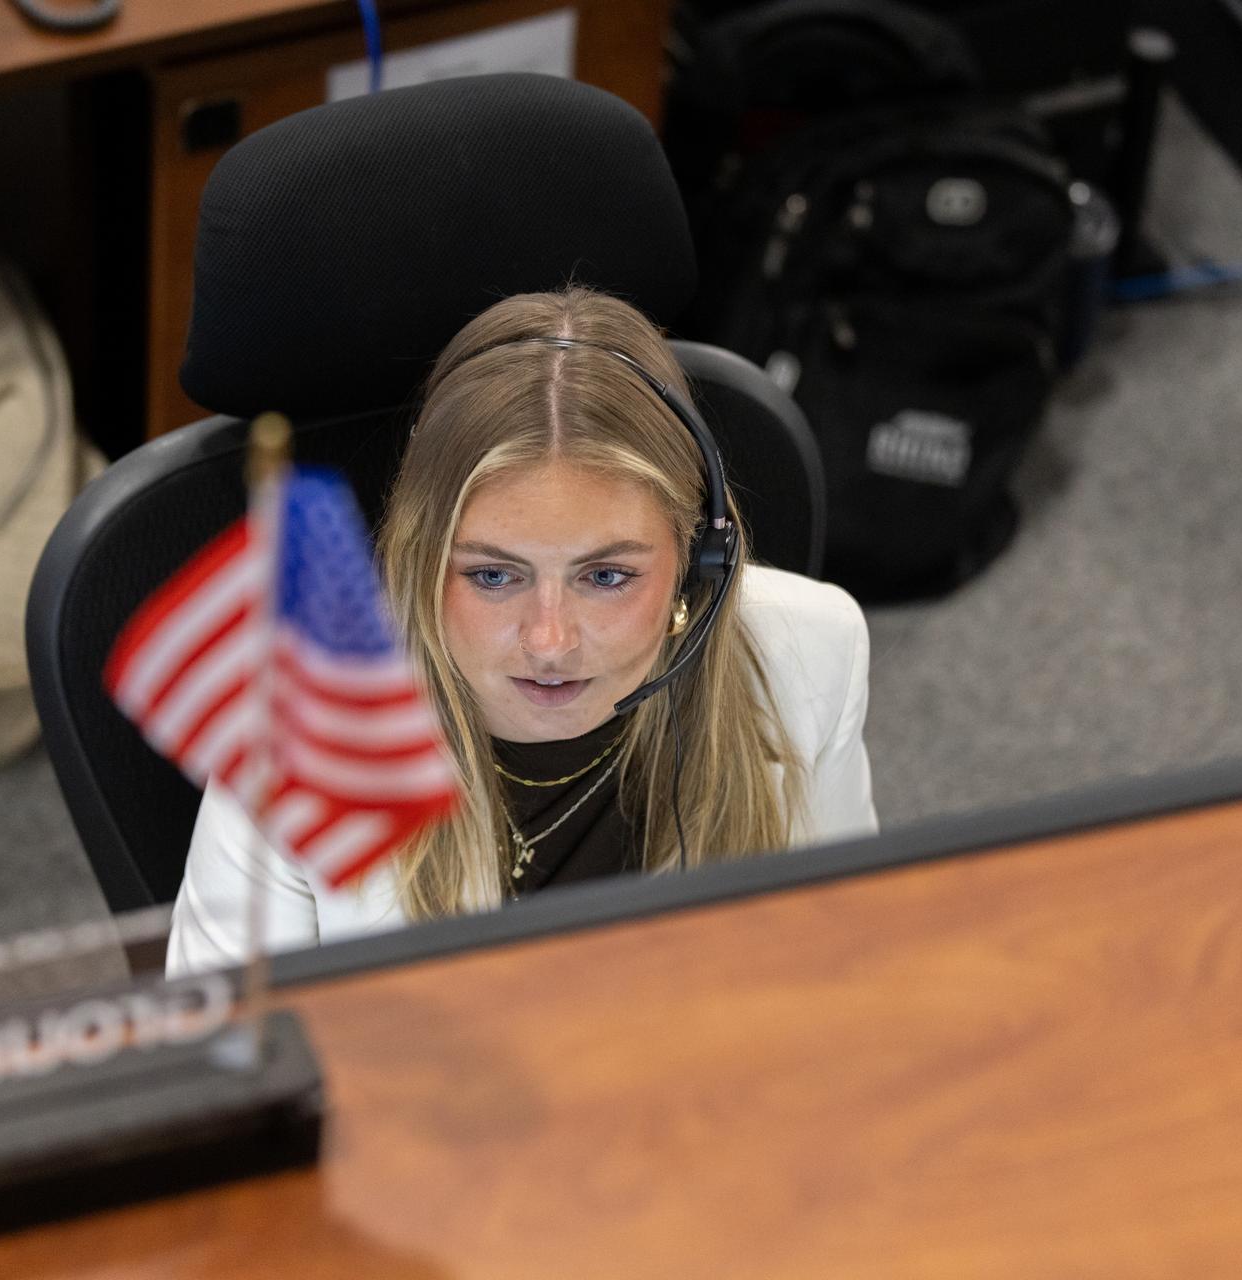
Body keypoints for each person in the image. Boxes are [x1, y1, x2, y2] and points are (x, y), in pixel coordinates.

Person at [166, 287, 875, 975]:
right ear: (423, 556)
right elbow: (223, 1074)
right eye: (494, 577)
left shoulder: (811, 651)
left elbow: (849, 969)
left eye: (606, 577)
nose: (549, 642)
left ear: (695, 560)